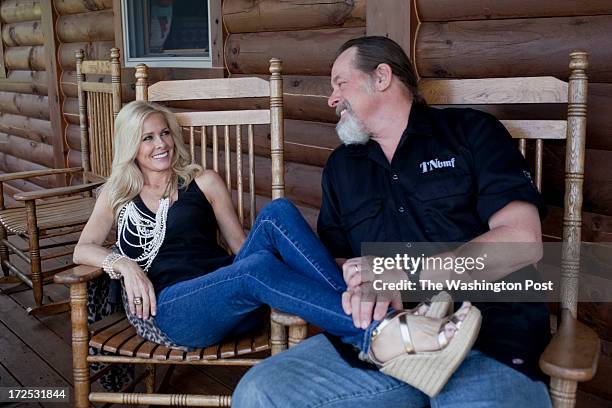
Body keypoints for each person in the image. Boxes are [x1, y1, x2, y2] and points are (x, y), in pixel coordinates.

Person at [74, 100, 479, 395]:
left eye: (165, 133)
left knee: (278, 212)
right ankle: (379, 328)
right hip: (172, 309)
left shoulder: (204, 182)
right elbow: (84, 248)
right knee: (255, 270)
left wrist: (264, 268)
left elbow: (239, 248)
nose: (160, 143)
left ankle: (371, 322)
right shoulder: (118, 194)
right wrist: (126, 265)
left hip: (228, 290)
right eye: (147, 137)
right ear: (131, 145)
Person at [232, 36, 553, 407]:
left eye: (340, 83)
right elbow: (337, 262)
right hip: (380, 344)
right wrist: (359, 282)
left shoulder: (472, 133)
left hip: (485, 338)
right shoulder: (342, 167)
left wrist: (405, 277)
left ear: (381, 77)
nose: (332, 99)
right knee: (258, 392)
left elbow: (521, 241)